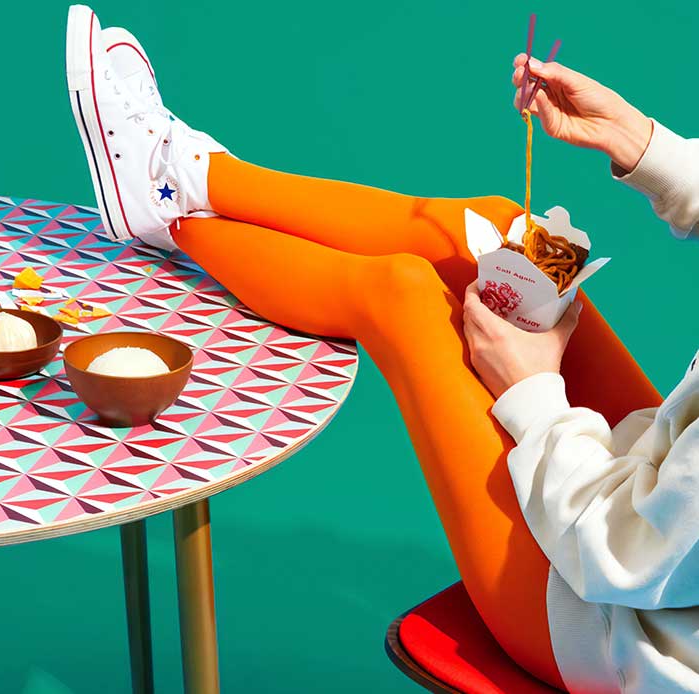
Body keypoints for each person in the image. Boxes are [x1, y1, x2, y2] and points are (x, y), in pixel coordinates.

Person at [65, 7, 697, 691]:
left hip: (609, 625)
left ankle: (167, 211)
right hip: (657, 492)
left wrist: (532, 392)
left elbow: (624, 556)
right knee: (489, 227)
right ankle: (188, 178)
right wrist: (644, 146)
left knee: (401, 296)